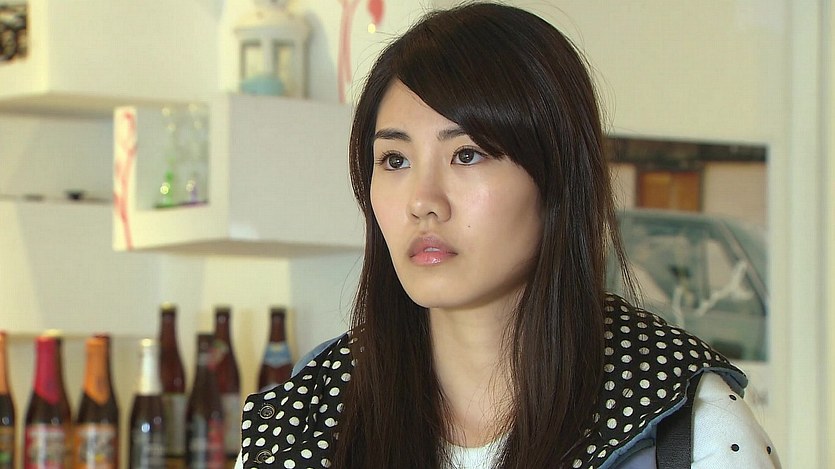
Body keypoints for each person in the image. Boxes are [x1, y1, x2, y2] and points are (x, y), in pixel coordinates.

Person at [237, 3, 780, 468]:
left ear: (556, 175)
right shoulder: (305, 419)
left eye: (467, 154)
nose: (423, 200)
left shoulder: (685, 424)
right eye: (395, 159)